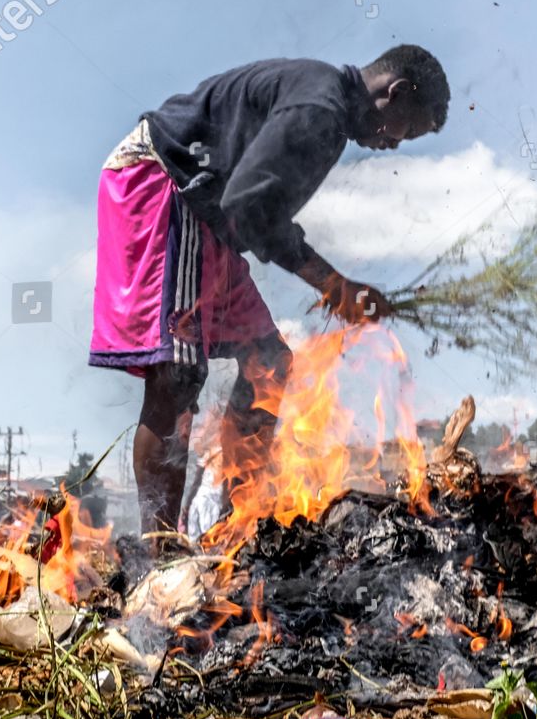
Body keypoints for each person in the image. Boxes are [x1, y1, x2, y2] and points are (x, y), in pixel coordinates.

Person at [88, 46, 451, 538]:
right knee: (178, 376)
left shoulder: (330, 114)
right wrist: (333, 284)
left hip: (211, 215)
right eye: (409, 128)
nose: (397, 143)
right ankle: (161, 554)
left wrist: (336, 285)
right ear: (397, 92)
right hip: (164, 182)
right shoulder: (319, 108)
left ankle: (233, 529)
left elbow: (254, 212)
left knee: (270, 363)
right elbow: (250, 207)